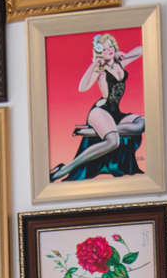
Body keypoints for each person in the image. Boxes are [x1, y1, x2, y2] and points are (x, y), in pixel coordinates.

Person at [49, 32, 144, 181]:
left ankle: (95, 132)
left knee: (142, 124)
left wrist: (124, 54)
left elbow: (141, 49)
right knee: (113, 141)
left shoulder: (120, 63)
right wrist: (94, 64)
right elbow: (82, 87)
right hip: (101, 110)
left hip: (115, 112)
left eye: (111, 46)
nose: (109, 50)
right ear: (99, 52)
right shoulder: (100, 70)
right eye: (104, 49)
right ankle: (63, 170)